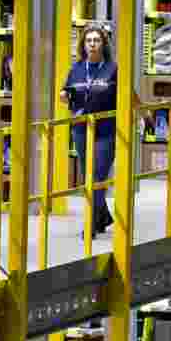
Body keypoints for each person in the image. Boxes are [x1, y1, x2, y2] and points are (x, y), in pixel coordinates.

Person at [60, 26, 117, 238]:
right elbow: (67, 91)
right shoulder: (76, 69)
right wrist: (63, 95)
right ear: (83, 45)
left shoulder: (113, 69)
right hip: (81, 129)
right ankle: (103, 216)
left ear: (103, 44)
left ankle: (91, 223)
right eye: (89, 40)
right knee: (88, 177)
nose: (92, 44)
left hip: (106, 129)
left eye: (97, 40)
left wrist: (144, 114)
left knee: (98, 176)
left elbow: (127, 93)